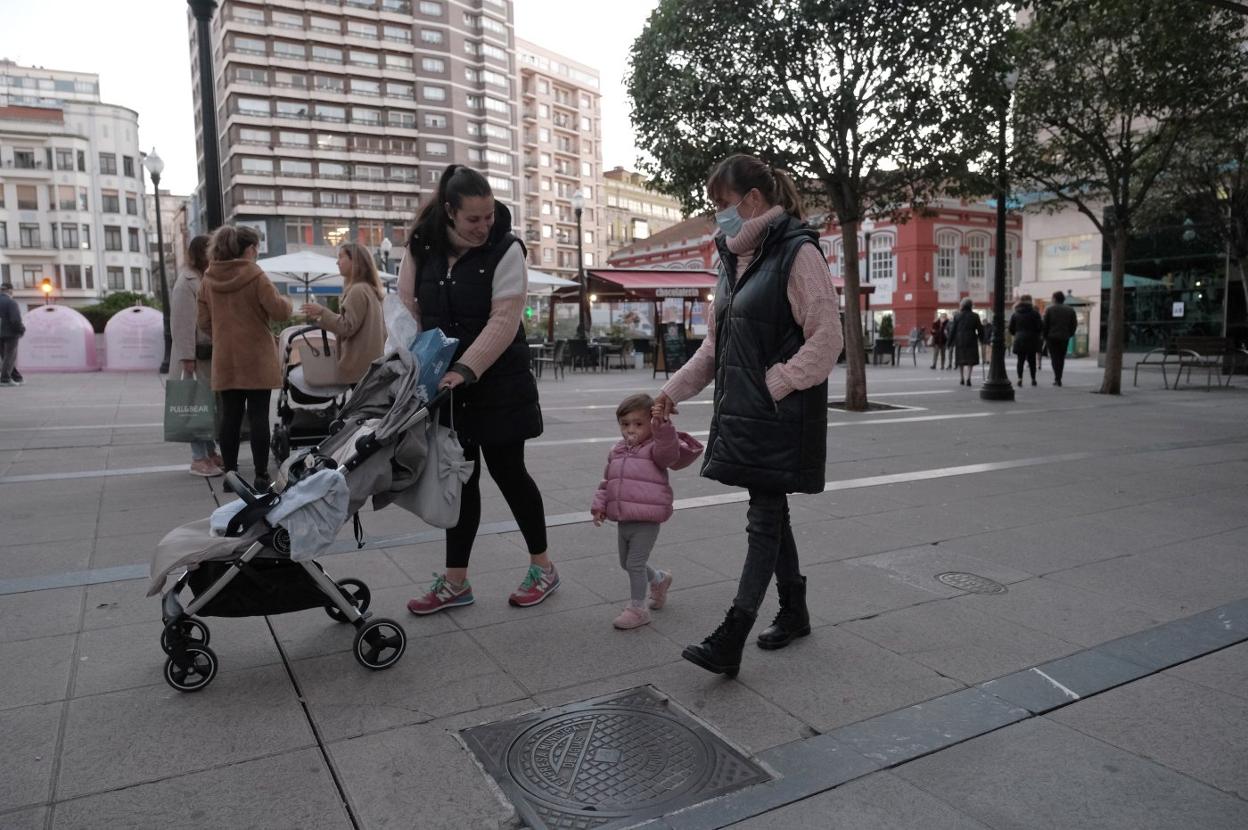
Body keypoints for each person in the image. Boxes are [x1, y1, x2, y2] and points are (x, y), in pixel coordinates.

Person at [652, 153, 843, 678]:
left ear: (753, 200)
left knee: (763, 518)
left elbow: (828, 339)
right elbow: (715, 348)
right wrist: (669, 392)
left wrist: (775, 383)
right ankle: (796, 610)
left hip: (777, 413)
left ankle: (732, 634)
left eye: (723, 205)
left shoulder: (796, 253)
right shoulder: (732, 260)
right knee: (771, 510)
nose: (719, 217)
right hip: (748, 413)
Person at [400, 165, 556, 614]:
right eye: (473, 218)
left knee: (510, 474)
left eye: (488, 216)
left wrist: (466, 368)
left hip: (498, 382)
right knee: (460, 480)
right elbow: (408, 311)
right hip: (446, 389)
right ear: (449, 212)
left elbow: (504, 321)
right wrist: (417, 367)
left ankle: (543, 567)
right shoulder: (421, 249)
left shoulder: (506, 250)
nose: (483, 225)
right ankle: (456, 582)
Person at [591, 393, 703, 630]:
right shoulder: (618, 450)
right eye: (625, 424)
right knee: (626, 563)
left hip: (647, 518)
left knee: (634, 564)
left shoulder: (655, 448)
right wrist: (600, 505)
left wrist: (662, 427)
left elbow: (669, 454)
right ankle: (660, 580)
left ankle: (637, 609)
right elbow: (607, 481)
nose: (631, 429)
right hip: (624, 517)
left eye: (639, 424)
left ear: (650, 425)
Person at [196, 225, 292, 491]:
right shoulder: (255, 275)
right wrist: (287, 301)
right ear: (250, 249)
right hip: (257, 356)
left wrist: (223, 334)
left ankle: (231, 475)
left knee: (230, 417)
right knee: (259, 415)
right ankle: (261, 475)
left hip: (226, 357)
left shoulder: (208, 279)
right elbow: (279, 310)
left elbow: (203, 321)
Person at [170, 235, 222, 476]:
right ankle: (198, 457)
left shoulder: (203, 277)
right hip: (194, 356)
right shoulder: (186, 282)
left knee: (205, 405)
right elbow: (181, 323)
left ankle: (209, 451)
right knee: (195, 406)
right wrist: (187, 357)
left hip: (205, 353)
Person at [299, 242, 385, 387]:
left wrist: (322, 312)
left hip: (360, 366)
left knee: (359, 409)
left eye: (341, 257)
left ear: (354, 261)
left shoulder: (357, 291)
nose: (337, 262)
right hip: (371, 364)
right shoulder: (368, 289)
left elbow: (347, 327)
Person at [1042, 290, 1078, 386]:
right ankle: (1059, 377)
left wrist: (1045, 336)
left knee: (1054, 358)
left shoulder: (1049, 310)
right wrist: (1069, 334)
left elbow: (1045, 325)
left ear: (1054, 299)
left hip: (1052, 337)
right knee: (1061, 358)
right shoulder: (1070, 310)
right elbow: (1074, 324)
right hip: (1064, 337)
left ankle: (1057, 378)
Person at [1008, 293, 1044, 387]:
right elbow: (1040, 326)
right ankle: (1033, 379)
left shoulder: (1015, 314)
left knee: (1020, 360)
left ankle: (1020, 378)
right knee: (1032, 360)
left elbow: (1011, 328)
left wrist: (1017, 333)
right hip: (1032, 338)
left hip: (1019, 338)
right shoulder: (1035, 313)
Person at [949, 297, 983, 386]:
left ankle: (961, 378)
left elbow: (953, 330)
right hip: (971, 338)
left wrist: (949, 342)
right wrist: (982, 339)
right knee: (970, 360)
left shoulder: (957, 316)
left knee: (961, 359)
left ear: (962, 305)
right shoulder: (975, 316)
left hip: (960, 339)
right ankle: (968, 377)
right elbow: (980, 329)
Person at [0, 282, 25, 387]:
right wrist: (21, 330)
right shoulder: (11, 302)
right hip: (10, 333)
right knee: (10, 356)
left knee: (5, 356)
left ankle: (16, 376)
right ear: (10, 290)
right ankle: (5, 379)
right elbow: (15, 320)